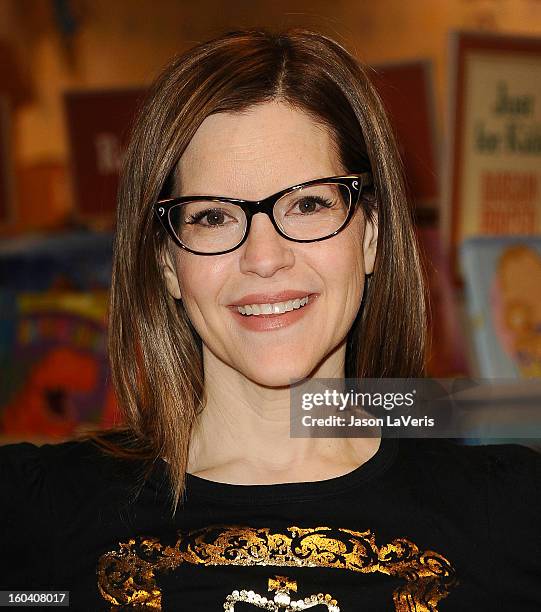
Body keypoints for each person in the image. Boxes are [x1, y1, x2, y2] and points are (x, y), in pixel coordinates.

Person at [1, 27, 540, 612]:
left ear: (372, 236)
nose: (263, 257)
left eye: (308, 204)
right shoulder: (35, 523)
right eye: (212, 217)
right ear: (168, 263)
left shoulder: (511, 514)